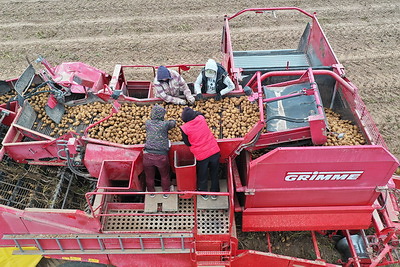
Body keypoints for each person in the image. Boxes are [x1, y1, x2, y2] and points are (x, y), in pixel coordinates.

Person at [180, 107, 221, 200]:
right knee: (214, 172)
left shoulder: (184, 128)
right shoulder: (201, 118)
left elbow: (187, 143)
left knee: (203, 173)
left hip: (201, 155)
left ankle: (203, 193)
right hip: (214, 150)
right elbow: (200, 113)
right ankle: (215, 192)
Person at [143, 104, 176, 199]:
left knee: (149, 176)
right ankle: (166, 193)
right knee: (164, 175)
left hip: (147, 155)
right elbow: (173, 124)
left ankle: (151, 193)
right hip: (161, 156)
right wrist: (173, 119)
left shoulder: (148, 123)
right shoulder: (165, 124)